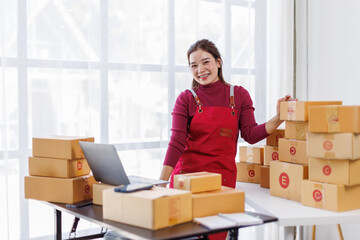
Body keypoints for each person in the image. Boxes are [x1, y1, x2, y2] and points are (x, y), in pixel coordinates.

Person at [159, 39, 294, 188]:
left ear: (218, 62)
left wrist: (279, 117)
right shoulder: (185, 99)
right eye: (194, 66)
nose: (200, 70)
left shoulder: (239, 95)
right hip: (186, 181)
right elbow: (177, 142)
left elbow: (251, 134)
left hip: (222, 183)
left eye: (205, 62)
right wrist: (160, 183)